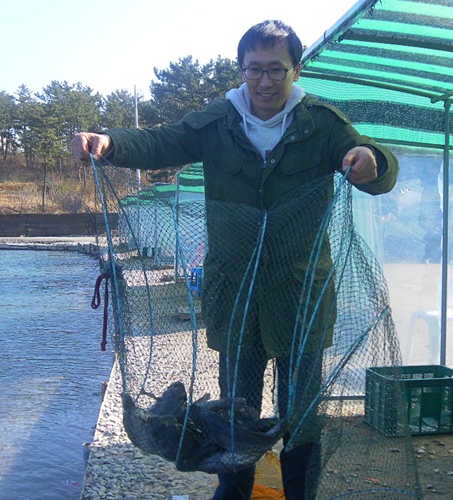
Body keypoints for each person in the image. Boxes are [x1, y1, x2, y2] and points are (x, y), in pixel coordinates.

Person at [72, 20, 398, 500]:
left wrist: (371, 160)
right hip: (235, 293)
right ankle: (233, 490)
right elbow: (161, 141)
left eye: (276, 69)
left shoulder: (323, 124)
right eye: (254, 69)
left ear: (296, 69)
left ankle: (299, 491)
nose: (265, 81)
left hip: (301, 297)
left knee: (301, 412)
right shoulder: (216, 122)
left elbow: (377, 165)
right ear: (241, 69)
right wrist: (111, 142)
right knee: (234, 408)